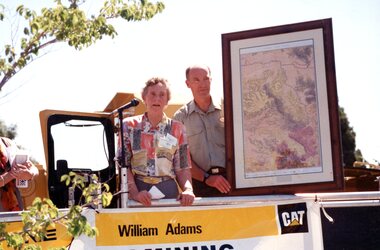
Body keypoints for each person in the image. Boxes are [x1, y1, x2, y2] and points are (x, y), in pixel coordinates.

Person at [119, 77, 195, 206]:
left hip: (168, 191)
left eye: (162, 95)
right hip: (139, 191)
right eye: (152, 94)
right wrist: (135, 193)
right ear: (144, 98)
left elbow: (183, 167)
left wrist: (188, 190)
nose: (157, 99)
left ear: (167, 101)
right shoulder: (129, 126)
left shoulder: (178, 129)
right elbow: (123, 166)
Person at [173, 64, 231, 197]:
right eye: (196, 80)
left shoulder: (228, 106)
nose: (202, 84)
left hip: (231, 180)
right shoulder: (180, 118)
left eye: (206, 79)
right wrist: (207, 178)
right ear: (188, 84)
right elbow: (181, 158)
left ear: (211, 80)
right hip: (201, 184)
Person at [0, 137, 39, 211]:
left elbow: (34, 169)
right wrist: (13, 174)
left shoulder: (6, 142)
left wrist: (30, 174)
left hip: (16, 206)